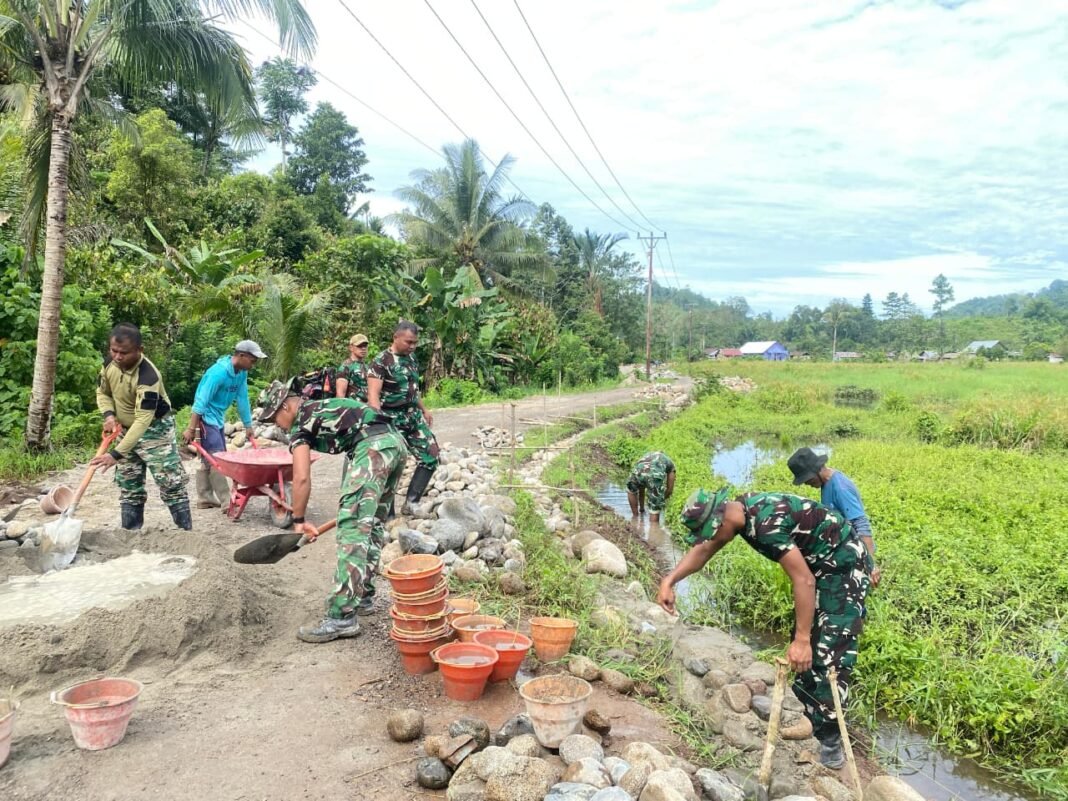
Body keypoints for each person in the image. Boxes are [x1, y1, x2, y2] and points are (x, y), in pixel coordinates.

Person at [657, 487, 872, 770]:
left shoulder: (766, 525)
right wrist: (669, 580)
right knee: (808, 645)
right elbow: (704, 550)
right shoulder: (740, 513)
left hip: (843, 566)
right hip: (819, 566)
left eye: (712, 532)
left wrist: (803, 639)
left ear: (721, 522)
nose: (711, 540)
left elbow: (804, 581)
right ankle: (807, 716)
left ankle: (830, 745)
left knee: (829, 650)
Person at [257, 380, 407, 643]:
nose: (277, 426)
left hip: (372, 449)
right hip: (393, 444)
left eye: (274, 419)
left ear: (285, 407)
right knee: (370, 526)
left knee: (352, 530)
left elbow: (301, 477)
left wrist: (299, 520)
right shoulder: (320, 407)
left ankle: (341, 617)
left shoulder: (301, 423)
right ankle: (363, 597)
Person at [91, 323, 192, 530]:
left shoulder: (148, 377)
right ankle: (130, 535)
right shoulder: (109, 363)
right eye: (114, 351)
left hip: (156, 432)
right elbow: (103, 393)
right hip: (125, 430)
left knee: (171, 483)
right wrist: (109, 415)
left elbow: (143, 420)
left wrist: (115, 454)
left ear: (139, 350)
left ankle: (186, 535)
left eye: (124, 353)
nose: (118, 357)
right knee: (129, 484)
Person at [181, 340, 267, 509]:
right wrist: (191, 428)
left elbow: (242, 399)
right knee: (217, 458)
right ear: (241, 356)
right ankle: (227, 501)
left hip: (218, 418)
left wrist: (248, 425)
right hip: (206, 417)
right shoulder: (218, 373)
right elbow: (201, 401)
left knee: (210, 457)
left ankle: (205, 498)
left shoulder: (241, 373)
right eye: (252, 360)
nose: (254, 364)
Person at [366, 320, 438, 514]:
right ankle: (386, 513)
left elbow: (413, 388)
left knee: (431, 456)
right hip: (391, 420)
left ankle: (411, 503)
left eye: (415, 342)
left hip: (412, 418)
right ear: (395, 337)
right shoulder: (381, 362)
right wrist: (379, 423)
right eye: (408, 342)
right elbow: (373, 396)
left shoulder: (412, 358)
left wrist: (423, 409)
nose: (412, 346)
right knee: (391, 464)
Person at [787, 447, 880, 586]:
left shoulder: (840, 488)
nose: (806, 483)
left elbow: (861, 524)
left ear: (817, 470)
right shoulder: (827, 482)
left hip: (854, 552)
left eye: (807, 478)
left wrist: (870, 564)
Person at [626, 451, 676, 523]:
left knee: (631, 491)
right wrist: (658, 500)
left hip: (638, 471)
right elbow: (669, 490)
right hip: (655, 476)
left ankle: (635, 518)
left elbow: (641, 488)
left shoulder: (646, 455)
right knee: (654, 509)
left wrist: (642, 509)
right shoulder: (669, 462)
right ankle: (653, 530)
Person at [336, 333, 370, 402]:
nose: (363, 348)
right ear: (351, 348)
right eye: (359, 346)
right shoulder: (345, 367)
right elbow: (340, 396)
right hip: (353, 408)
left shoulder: (367, 367)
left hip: (367, 408)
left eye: (365, 346)